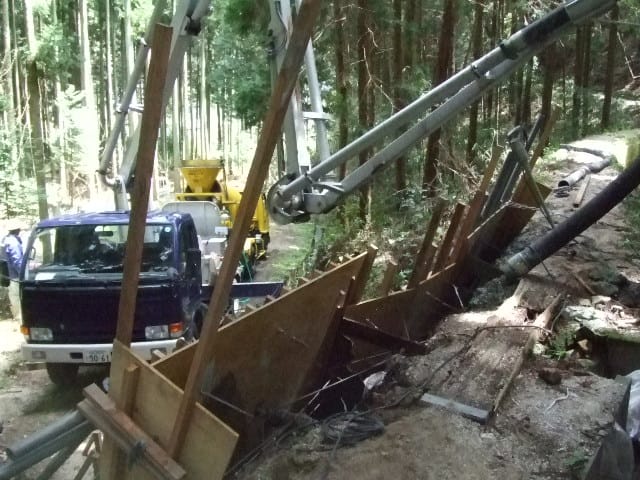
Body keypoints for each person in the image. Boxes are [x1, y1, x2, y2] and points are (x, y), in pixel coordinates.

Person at [3, 219, 24, 321]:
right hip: (16, 276)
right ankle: (19, 318)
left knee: (15, 296)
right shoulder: (13, 243)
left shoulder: (7, 240)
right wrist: (23, 274)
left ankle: (18, 316)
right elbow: (17, 261)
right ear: (17, 230)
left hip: (12, 274)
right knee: (16, 297)